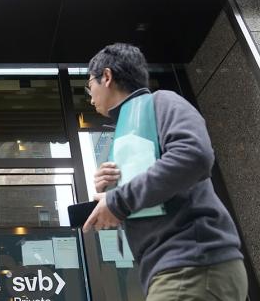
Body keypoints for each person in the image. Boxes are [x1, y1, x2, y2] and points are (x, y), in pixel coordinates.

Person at [82, 43, 248, 301]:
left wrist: (119, 200)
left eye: (89, 84)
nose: (90, 97)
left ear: (106, 76)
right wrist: (111, 191)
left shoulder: (162, 102)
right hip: (180, 267)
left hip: (191, 264)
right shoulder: (131, 125)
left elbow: (194, 155)